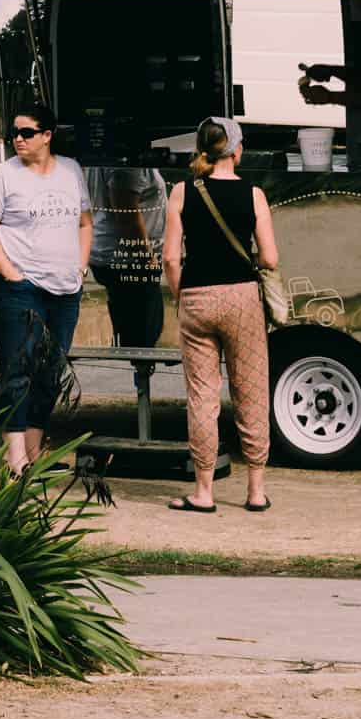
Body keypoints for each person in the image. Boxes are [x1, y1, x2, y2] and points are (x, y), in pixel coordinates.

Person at [160, 116, 278, 513]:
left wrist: (182, 295)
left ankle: (204, 492)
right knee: (251, 391)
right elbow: (271, 258)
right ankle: (256, 491)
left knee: (202, 397)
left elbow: (171, 257)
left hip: (196, 296)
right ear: (238, 150)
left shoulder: (181, 192)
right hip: (242, 297)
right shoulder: (254, 195)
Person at [0, 103, 93, 475]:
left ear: (47, 135)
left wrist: (80, 265)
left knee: (51, 370)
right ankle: (15, 459)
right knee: (17, 370)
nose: (17, 140)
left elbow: (85, 222)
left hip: (64, 289)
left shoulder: (71, 171)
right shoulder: (3, 176)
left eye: (26, 133)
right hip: (21, 289)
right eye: (14, 134)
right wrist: (9, 272)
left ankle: (36, 455)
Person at [86, 166, 167, 389]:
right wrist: (147, 259)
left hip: (118, 255)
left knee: (141, 336)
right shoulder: (127, 165)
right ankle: (142, 403)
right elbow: (126, 212)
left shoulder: (117, 157)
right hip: (127, 258)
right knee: (144, 339)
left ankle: (142, 387)